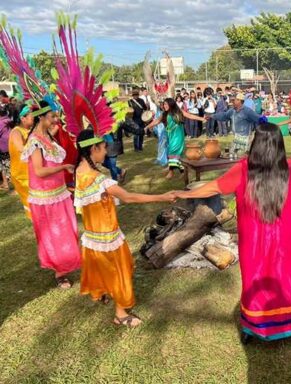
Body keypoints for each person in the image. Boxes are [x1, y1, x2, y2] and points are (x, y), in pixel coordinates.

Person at [171, 123, 291, 342]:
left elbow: (214, 187)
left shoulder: (242, 169)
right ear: (279, 144)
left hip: (254, 240)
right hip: (287, 238)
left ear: (255, 143)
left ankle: (255, 328)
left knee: (255, 279)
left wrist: (183, 194)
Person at [74, 129, 176, 328]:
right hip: (107, 236)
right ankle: (121, 314)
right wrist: (162, 197)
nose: (106, 153)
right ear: (93, 149)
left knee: (104, 269)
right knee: (121, 271)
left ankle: (103, 291)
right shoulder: (97, 179)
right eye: (103, 148)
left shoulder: (79, 170)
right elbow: (128, 197)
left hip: (92, 235)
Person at [21, 101, 81, 288]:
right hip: (45, 198)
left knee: (68, 231)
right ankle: (59, 272)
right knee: (54, 235)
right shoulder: (35, 142)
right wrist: (63, 167)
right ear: (41, 118)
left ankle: (66, 263)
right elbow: (38, 171)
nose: (56, 119)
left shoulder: (46, 136)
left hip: (59, 193)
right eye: (52, 117)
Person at [146, 98, 205, 179]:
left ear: (171, 104)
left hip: (178, 135)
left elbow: (189, 115)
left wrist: (201, 118)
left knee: (172, 153)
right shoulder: (164, 114)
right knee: (175, 155)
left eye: (166, 104)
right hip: (170, 136)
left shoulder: (178, 112)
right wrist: (147, 126)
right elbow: (156, 121)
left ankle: (171, 172)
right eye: (164, 104)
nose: (164, 106)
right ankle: (183, 170)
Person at [8, 103, 33, 217]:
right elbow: (21, 149)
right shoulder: (16, 132)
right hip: (22, 175)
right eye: (31, 115)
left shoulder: (30, 130)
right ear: (23, 118)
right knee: (32, 205)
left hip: (31, 172)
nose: (33, 116)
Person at [0, 106, 12, 190]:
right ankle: (7, 182)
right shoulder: (8, 120)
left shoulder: (0, 123)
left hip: (3, 148)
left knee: (3, 165)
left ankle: (6, 183)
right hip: (11, 146)